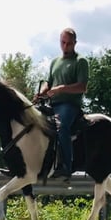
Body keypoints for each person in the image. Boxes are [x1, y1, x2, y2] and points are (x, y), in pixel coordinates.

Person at [35, 27, 89, 181]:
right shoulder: (55, 62)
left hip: (69, 105)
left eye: (69, 44)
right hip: (52, 104)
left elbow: (82, 87)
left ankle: (67, 166)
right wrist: (43, 91)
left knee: (62, 126)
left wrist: (61, 89)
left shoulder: (81, 61)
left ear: (75, 43)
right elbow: (49, 82)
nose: (65, 47)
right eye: (63, 43)